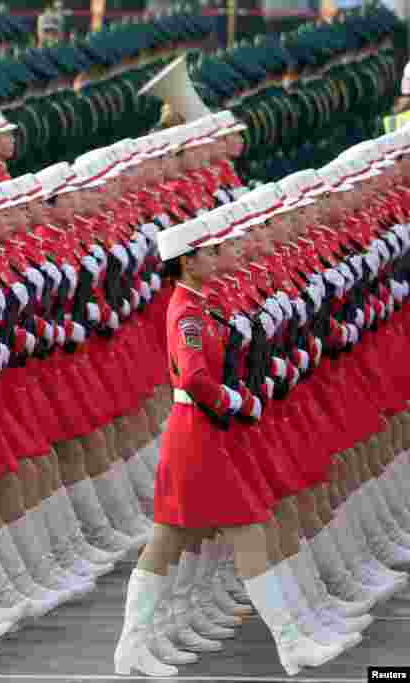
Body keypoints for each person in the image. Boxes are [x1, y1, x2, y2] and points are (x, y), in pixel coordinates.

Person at [113, 215, 344, 677]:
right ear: (187, 261)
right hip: (198, 434)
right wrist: (235, 400)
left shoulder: (200, 306)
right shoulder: (186, 313)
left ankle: (133, 649)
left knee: (173, 538)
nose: (218, 258)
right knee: (238, 532)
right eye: (209, 253)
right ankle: (290, 643)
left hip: (208, 433)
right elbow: (195, 377)